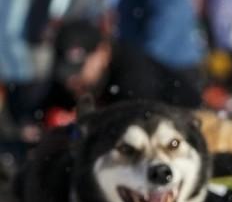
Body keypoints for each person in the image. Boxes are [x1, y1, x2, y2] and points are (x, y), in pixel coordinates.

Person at [35, 19, 202, 125]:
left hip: (184, 119)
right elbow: (47, 108)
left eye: (79, 70)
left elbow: (134, 121)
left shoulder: (133, 75)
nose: (71, 80)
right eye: (67, 72)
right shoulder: (73, 80)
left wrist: (80, 122)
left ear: (102, 53)